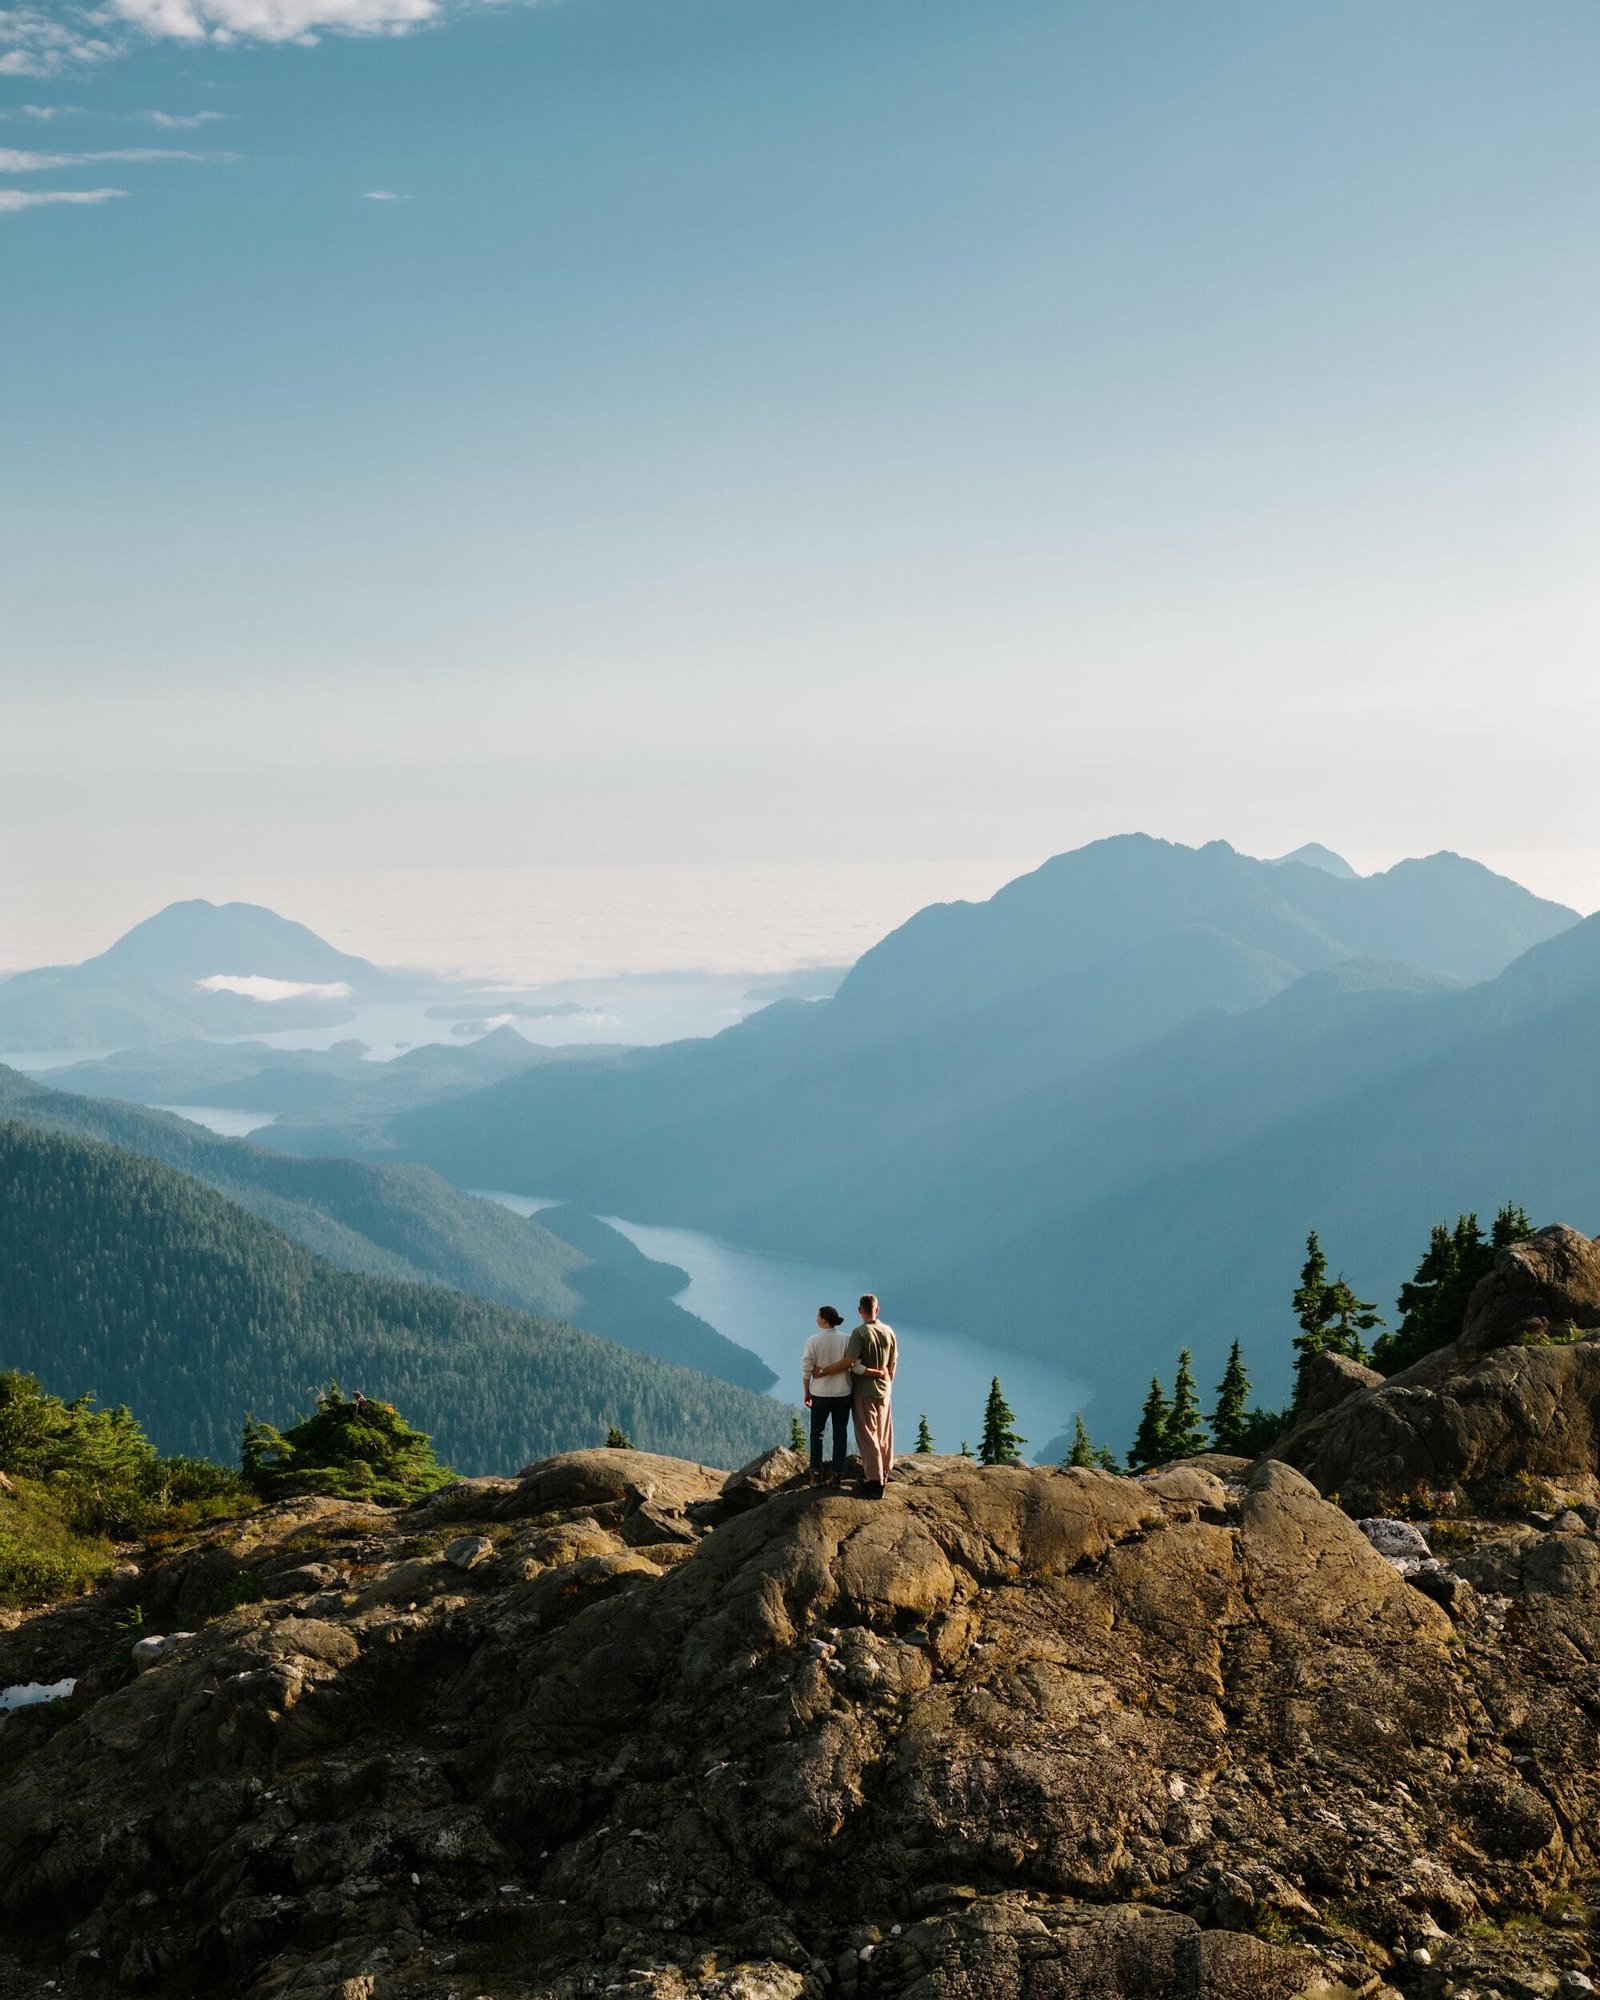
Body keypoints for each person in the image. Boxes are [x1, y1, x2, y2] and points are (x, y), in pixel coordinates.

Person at [846, 1292, 897, 1497]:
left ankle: (875, 1483)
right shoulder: (888, 1331)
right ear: (877, 1309)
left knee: (868, 1435)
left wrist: (870, 1373)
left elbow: (851, 1362)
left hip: (864, 1391)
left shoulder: (859, 1333)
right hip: (884, 1391)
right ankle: (884, 1473)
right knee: (884, 1434)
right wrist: (886, 1381)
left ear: (860, 1311)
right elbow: (893, 1362)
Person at [800, 1305, 852, 1487]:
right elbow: (853, 1363)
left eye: (818, 1316)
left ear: (824, 1320)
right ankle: (836, 1475)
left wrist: (807, 1391)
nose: (816, 1319)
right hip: (843, 1393)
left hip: (820, 1394)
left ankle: (815, 1474)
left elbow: (806, 1368)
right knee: (840, 1434)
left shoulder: (813, 1341)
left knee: (816, 1434)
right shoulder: (846, 1339)